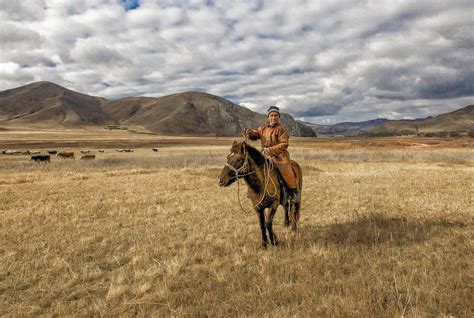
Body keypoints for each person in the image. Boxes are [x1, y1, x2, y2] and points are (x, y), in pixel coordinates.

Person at [244, 106, 300, 202]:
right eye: (271, 115)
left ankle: (294, 191)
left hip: (280, 156)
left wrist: (270, 150)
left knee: (285, 169)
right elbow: (255, 134)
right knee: (253, 168)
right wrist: (250, 133)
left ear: (278, 117)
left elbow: (284, 144)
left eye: (275, 115)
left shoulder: (281, 129)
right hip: (264, 155)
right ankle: (253, 191)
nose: (273, 117)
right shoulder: (263, 128)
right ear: (268, 117)